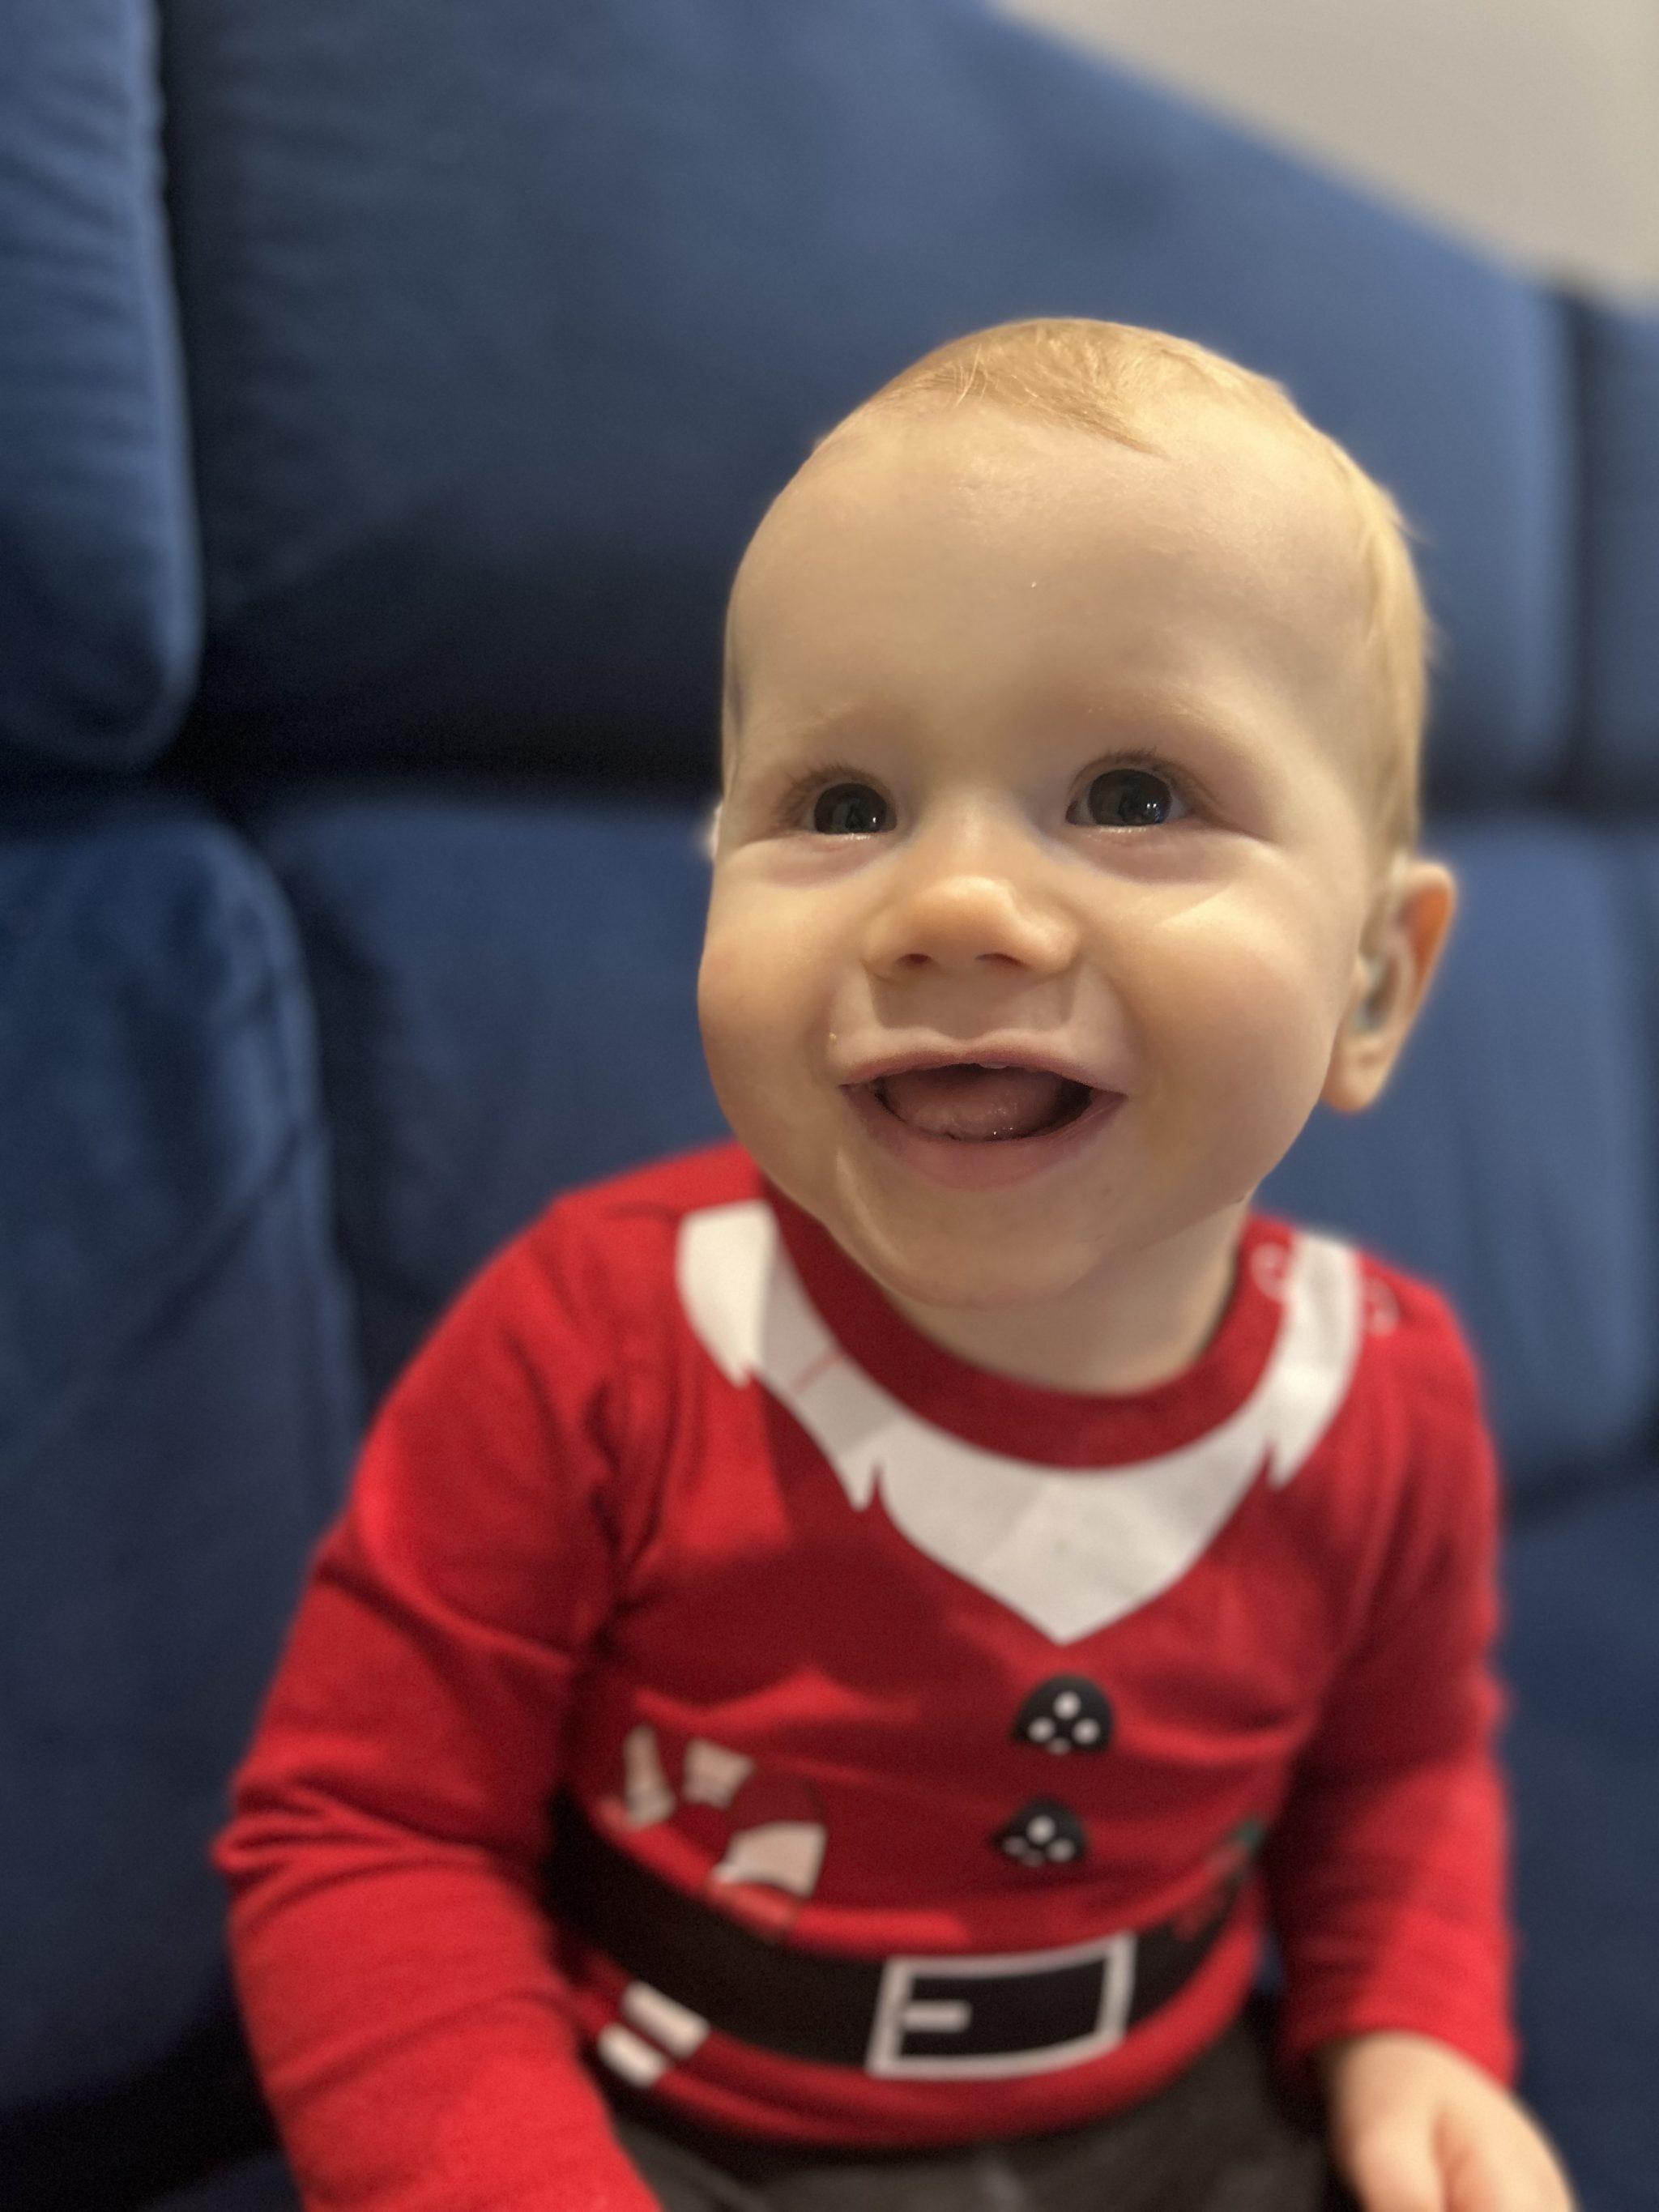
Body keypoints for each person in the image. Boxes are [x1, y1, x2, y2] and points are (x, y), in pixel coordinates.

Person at [216, 320, 1576, 2212]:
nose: (951, 904)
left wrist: (1408, 2024)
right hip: (672, 2128)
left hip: (1181, 2122)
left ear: (1371, 984)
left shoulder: (1382, 1390)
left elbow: (1398, 1769)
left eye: (1131, 793)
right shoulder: (603, 1333)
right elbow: (368, 1826)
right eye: (840, 805)